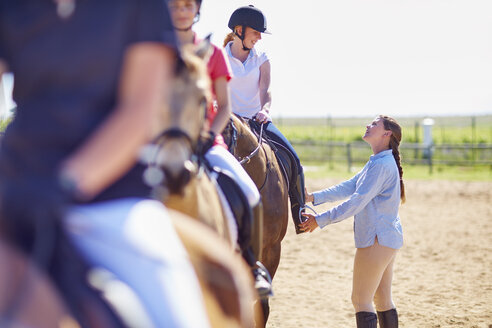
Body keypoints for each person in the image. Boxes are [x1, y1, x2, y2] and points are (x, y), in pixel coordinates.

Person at [0, 1, 210, 327]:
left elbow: (139, 111)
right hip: (16, 184)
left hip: (109, 196)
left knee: (177, 320)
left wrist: (65, 184)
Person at [167, 0, 271, 297]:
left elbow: (224, 107)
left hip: (204, 142)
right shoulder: (154, 51)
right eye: (176, 5)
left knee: (248, 192)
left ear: (197, 10)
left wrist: (205, 138)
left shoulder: (212, 54)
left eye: (189, 4)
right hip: (160, 142)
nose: (183, 10)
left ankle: (252, 266)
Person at [300, 115, 405, 328]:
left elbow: (355, 202)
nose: (368, 125)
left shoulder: (382, 165)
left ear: (387, 134)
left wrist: (319, 220)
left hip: (376, 239)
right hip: (387, 238)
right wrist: (314, 197)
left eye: (375, 124)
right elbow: (350, 186)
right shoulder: (378, 161)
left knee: (361, 300)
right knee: (382, 300)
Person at [223, 5, 307, 234]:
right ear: (239, 30)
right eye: (256, 32)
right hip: (227, 122)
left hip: (256, 120)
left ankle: (300, 210)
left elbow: (265, 89)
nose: (259, 37)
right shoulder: (220, 56)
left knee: (292, 157)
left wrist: (265, 110)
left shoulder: (261, 57)